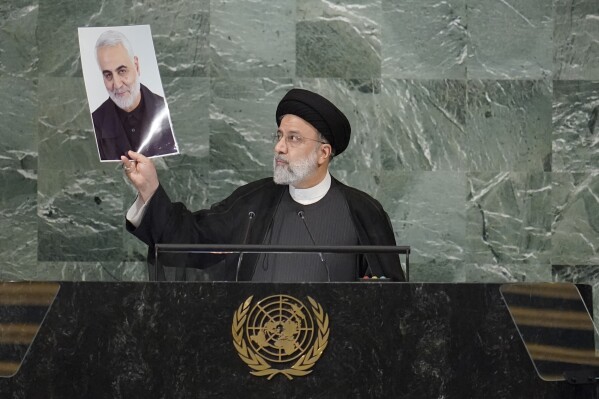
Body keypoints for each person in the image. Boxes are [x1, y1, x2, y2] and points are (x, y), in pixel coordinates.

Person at [122, 88, 405, 282]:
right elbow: (192, 239)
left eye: (293, 138)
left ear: (323, 153)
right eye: (279, 135)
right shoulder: (253, 202)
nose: (279, 147)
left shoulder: (362, 211)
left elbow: (389, 303)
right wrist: (150, 190)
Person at [92, 30, 177, 161]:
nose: (117, 84)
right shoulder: (94, 123)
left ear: (136, 66)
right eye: (108, 75)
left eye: (122, 71)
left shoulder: (169, 110)